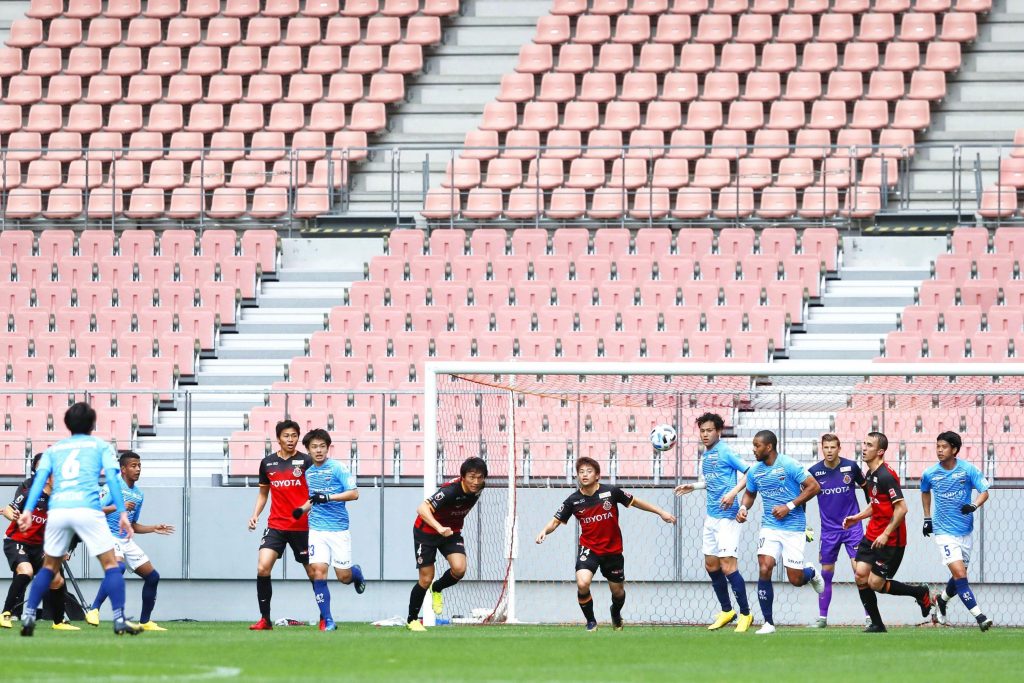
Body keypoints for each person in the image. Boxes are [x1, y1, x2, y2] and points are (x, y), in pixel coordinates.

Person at [16, 402, 140, 636]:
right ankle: (119, 619)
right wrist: (123, 512)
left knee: (49, 567)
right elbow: (113, 481)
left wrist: (28, 510)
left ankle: (29, 617)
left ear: (66, 424)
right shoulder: (100, 446)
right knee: (111, 565)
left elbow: (40, 480)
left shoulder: (55, 449)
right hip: (87, 509)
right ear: (93, 424)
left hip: (59, 510)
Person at [536, 457, 677, 631]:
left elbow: (636, 501)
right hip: (589, 548)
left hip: (612, 551)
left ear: (597, 476)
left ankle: (615, 613)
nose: (584, 475)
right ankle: (591, 621)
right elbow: (556, 521)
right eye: (581, 472)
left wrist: (661, 512)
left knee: (617, 592)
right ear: (577, 476)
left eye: (589, 471)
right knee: (582, 583)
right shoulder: (573, 500)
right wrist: (544, 531)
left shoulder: (611, 492)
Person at [736, 430, 824, 634]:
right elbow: (749, 494)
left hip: (794, 528)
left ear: (769, 447)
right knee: (765, 567)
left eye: (757, 445)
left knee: (795, 580)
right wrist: (743, 508)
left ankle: (810, 573)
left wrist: (789, 506)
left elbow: (814, 487)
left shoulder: (789, 464)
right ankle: (768, 623)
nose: (753, 449)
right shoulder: (755, 471)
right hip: (770, 527)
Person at [842, 432, 931, 633]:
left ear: (880, 451)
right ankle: (877, 624)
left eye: (869, 445)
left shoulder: (886, 475)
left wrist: (885, 533)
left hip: (891, 540)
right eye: (864, 444)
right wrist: (857, 518)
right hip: (872, 534)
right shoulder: (869, 474)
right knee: (860, 576)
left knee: (875, 583)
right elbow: (876, 505)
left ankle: (919, 592)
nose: (864, 448)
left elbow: (902, 509)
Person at [674, 413, 753, 632]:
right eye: (702, 431)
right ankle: (727, 610)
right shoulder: (706, 456)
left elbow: (750, 473)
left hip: (728, 517)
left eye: (709, 430)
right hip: (712, 517)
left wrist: (733, 493)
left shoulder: (725, 451)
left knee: (728, 567)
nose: (706, 434)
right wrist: (694, 487)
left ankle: (746, 614)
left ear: (719, 431)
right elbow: (713, 481)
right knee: (711, 565)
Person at [84, 451, 175, 631]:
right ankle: (93, 609)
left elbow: (132, 524)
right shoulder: (112, 487)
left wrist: (153, 528)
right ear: (123, 469)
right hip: (108, 536)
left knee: (153, 577)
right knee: (118, 569)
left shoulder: (138, 494)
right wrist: (118, 506)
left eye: (139, 466)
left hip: (125, 539)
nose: (138, 469)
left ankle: (145, 622)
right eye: (133, 466)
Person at [290, 429, 365, 632]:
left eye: (322, 446)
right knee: (318, 573)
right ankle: (328, 620)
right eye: (314, 447)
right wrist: (301, 510)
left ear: (327, 447)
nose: (319, 450)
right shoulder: (309, 473)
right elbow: (314, 499)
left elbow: (354, 494)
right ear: (308, 449)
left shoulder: (338, 468)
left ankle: (355, 573)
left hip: (339, 530)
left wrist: (330, 497)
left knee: (343, 577)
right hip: (317, 530)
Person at [247, 419, 315, 631]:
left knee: (314, 573)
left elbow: (314, 494)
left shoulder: (307, 462)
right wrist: (255, 514)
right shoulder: (267, 463)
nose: (291, 439)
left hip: (302, 526)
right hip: (276, 525)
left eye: (294, 435)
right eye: (286, 436)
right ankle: (265, 620)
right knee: (262, 567)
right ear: (278, 439)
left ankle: (325, 617)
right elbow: (263, 493)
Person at [406, 457, 488, 632]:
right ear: (463, 477)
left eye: (480, 477)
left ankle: (438, 588)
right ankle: (412, 620)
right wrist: (438, 527)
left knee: (459, 569)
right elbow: (422, 508)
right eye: (471, 477)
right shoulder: (450, 491)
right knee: (426, 578)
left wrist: (448, 527)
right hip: (426, 532)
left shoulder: (480, 488)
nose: (475, 481)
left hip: (451, 532)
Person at [921, 431, 992, 631]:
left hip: (965, 531)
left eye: (943, 447)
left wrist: (974, 506)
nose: (939, 450)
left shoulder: (968, 470)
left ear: (954, 450)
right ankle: (980, 617)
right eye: (938, 446)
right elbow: (925, 491)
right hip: (943, 532)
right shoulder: (930, 473)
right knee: (960, 574)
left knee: (958, 576)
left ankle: (941, 600)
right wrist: (927, 519)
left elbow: (984, 492)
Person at [1, 453, 77, 631]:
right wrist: (16, 517)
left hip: (40, 547)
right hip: (16, 541)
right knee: (26, 571)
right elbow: (7, 510)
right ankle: (5, 614)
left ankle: (58, 622)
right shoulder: (31, 494)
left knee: (57, 580)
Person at [808, 434, 868, 628]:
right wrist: (803, 525)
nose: (829, 451)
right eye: (826, 447)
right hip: (829, 531)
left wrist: (871, 513)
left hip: (852, 528)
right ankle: (822, 618)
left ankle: (870, 617)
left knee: (860, 572)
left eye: (833, 447)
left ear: (839, 448)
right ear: (821, 449)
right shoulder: (814, 472)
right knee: (826, 574)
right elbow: (803, 496)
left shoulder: (851, 467)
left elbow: (867, 488)